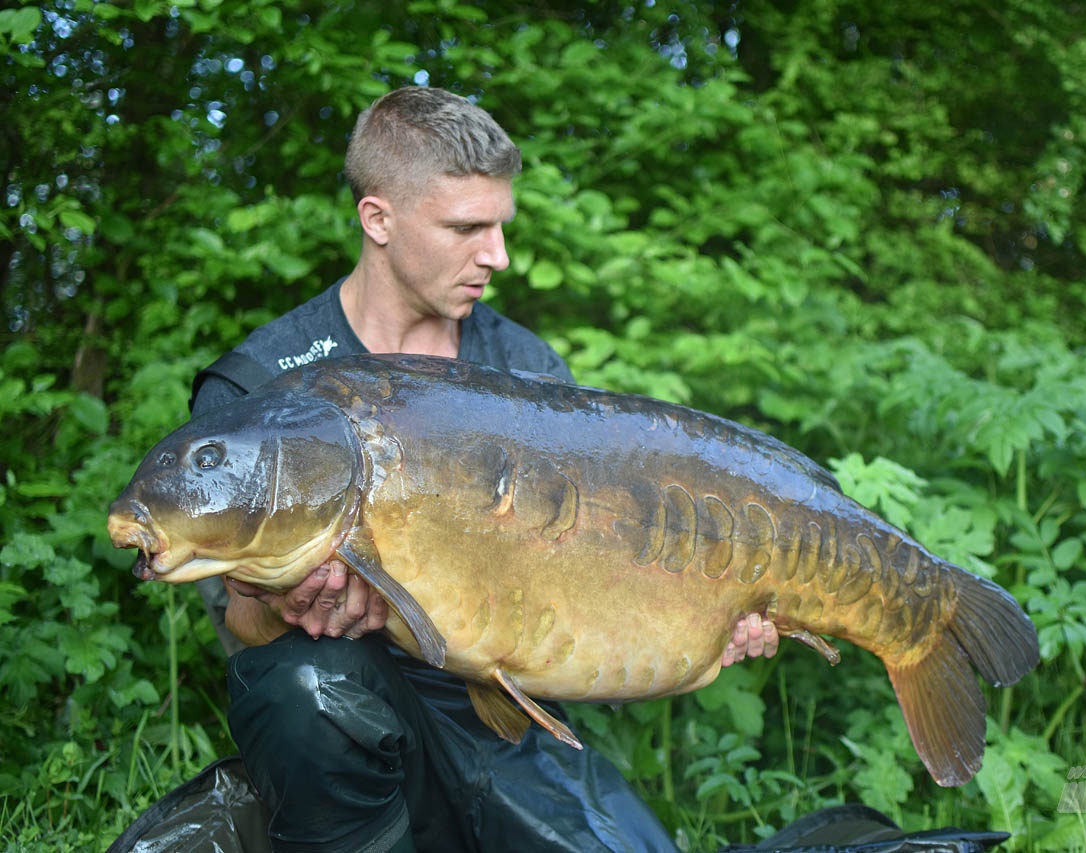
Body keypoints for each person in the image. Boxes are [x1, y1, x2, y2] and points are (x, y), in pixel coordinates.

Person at [190, 85, 779, 852]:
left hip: (503, 715)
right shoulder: (262, 382)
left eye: (500, 226)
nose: (497, 256)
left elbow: (587, 587)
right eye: (467, 228)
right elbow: (236, 624)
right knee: (308, 688)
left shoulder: (526, 371)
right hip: (341, 706)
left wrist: (706, 615)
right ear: (379, 219)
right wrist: (285, 605)